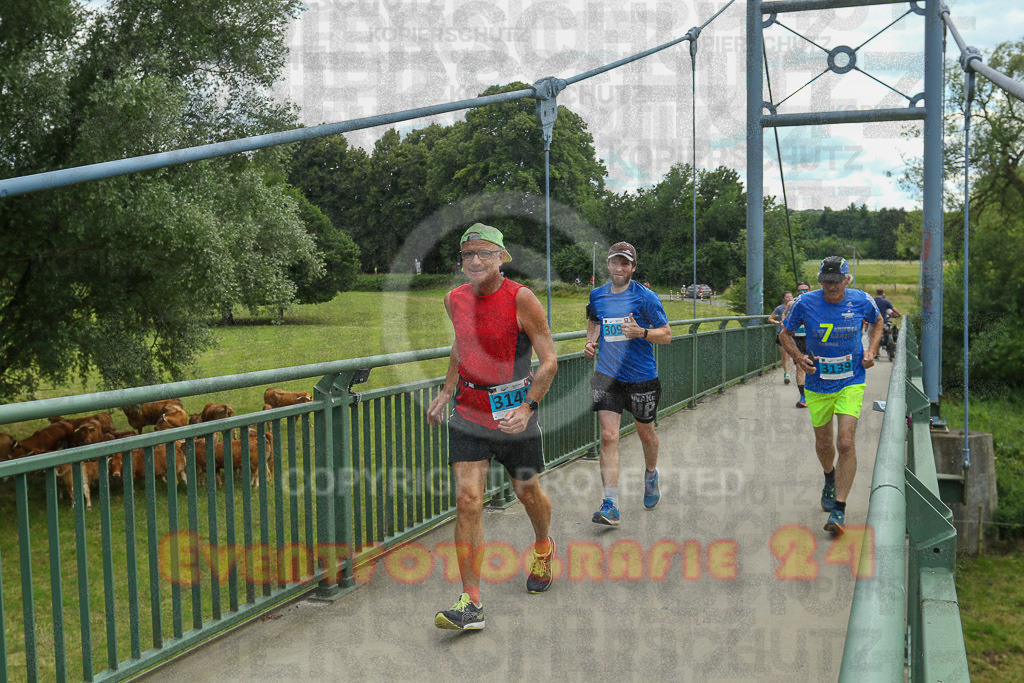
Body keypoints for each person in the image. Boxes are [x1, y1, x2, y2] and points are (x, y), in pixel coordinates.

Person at [426, 223, 559, 630]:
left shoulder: (522, 299)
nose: (476, 261)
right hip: (468, 412)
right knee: (468, 501)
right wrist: (447, 390)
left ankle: (543, 547)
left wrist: (529, 406)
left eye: (485, 253)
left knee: (526, 491)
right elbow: (460, 345)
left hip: (512, 413)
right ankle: (471, 602)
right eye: (469, 255)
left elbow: (550, 360)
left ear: (501, 258)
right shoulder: (454, 299)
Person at [780, 257, 883, 536]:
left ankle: (839, 508)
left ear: (847, 280)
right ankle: (829, 476)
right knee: (824, 442)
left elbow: (878, 322)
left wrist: (872, 350)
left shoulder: (861, 300)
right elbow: (784, 333)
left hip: (851, 379)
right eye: (826, 283)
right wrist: (799, 357)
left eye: (836, 282)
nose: (831, 288)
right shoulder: (804, 303)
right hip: (817, 382)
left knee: (846, 442)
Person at [584, 242, 672, 526]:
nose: (619, 268)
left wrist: (642, 331)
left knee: (645, 434)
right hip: (607, 376)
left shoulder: (646, 298)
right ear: (608, 265)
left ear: (633, 267)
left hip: (641, 377)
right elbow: (594, 320)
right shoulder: (597, 295)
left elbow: (667, 335)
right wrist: (590, 340)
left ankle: (651, 473)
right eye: (614, 262)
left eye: (625, 263)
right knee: (609, 437)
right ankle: (611, 504)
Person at [768, 291, 794, 384]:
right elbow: (770, 318)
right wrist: (777, 322)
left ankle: (788, 374)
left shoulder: (795, 307)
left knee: (790, 355)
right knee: (784, 355)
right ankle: (785, 371)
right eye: (787, 297)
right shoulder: (779, 308)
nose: (790, 298)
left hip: (792, 334)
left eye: (791, 296)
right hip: (781, 333)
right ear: (783, 298)